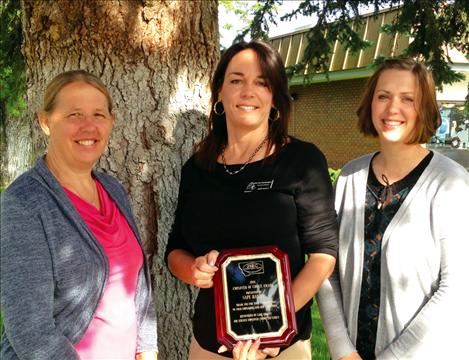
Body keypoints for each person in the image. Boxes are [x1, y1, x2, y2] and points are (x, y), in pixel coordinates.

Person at [165, 40, 338, 360]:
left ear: (275, 98)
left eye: (262, 82)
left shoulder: (302, 161)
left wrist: (272, 323)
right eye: (236, 80)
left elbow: (323, 256)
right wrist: (192, 270)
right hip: (209, 346)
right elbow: (175, 248)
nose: (248, 91)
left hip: (280, 347)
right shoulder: (197, 168)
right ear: (219, 93)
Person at [316, 58, 469, 359]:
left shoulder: (451, 183)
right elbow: (325, 268)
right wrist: (342, 350)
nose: (392, 109)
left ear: (424, 108)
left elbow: (457, 290)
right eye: (383, 96)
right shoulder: (349, 178)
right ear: (370, 103)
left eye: (407, 99)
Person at [0, 70, 158, 360]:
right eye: (74, 115)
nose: (89, 126)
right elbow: (29, 330)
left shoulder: (112, 189)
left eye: (99, 114)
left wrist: (146, 349)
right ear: (45, 122)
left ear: (111, 121)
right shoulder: (23, 203)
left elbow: (137, 282)